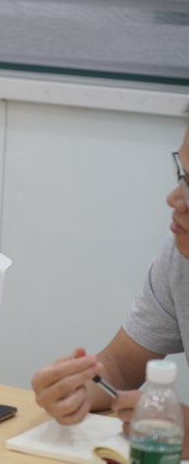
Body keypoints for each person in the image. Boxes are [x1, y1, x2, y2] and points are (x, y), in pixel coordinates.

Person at [31, 123, 189, 456]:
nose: (174, 198)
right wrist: (79, 388)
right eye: (182, 176)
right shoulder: (180, 257)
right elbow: (122, 363)